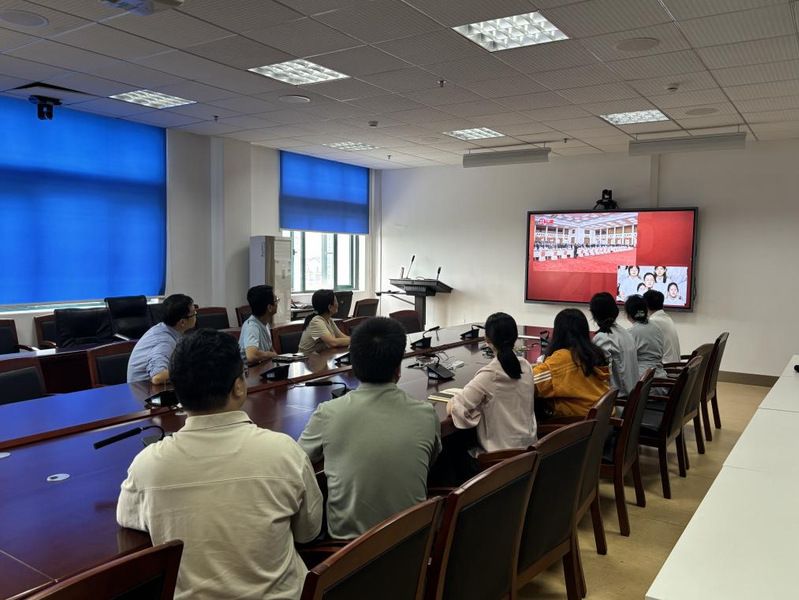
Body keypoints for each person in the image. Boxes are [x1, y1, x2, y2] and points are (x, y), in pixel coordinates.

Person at [117, 329, 323, 600]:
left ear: (176, 390)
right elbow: (308, 532)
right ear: (238, 386)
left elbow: (127, 518)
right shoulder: (285, 452)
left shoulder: (147, 466)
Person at [298, 317, 441, 540]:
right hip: (412, 545)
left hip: (350, 551)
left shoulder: (328, 413)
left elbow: (296, 462)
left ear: (353, 366)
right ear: (398, 368)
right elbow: (429, 462)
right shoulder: (426, 414)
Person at [447, 312, 537, 454]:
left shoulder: (489, 375)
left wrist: (477, 413)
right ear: (515, 337)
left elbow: (457, 407)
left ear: (487, 339)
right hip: (529, 453)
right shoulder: (526, 366)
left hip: (499, 458)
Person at [533, 308, 610, 418]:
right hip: (600, 419)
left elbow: (531, 381)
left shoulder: (563, 358)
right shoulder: (594, 353)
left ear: (558, 332)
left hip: (577, 423)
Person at [126, 294, 196, 384]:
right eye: (194, 313)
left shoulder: (167, 329)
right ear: (182, 322)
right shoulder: (164, 342)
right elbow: (158, 377)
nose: (196, 315)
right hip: (143, 390)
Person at [589, 292, 639, 398]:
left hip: (618, 400)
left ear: (594, 314)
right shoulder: (625, 333)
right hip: (632, 397)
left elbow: (596, 373)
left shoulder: (603, 338)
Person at [624, 295, 668, 379]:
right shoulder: (657, 328)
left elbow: (625, 360)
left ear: (628, 315)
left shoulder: (631, 333)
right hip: (661, 378)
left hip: (641, 380)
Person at [298, 289, 350, 354]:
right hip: (307, 359)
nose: (338, 304)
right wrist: (355, 341)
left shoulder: (328, 319)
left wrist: (356, 340)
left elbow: (342, 336)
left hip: (320, 357)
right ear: (330, 307)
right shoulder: (316, 321)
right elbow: (333, 342)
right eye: (336, 301)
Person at [239, 284, 279, 364]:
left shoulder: (264, 323)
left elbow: (270, 348)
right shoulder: (252, 327)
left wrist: (276, 356)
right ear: (269, 307)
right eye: (276, 300)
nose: (277, 303)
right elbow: (251, 355)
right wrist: (271, 355)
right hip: (250, 370)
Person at [643, 289, 681, 364]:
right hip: (674, 365)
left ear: (645, 306)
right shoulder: (666, 318)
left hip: (665, 367)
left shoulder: (653, 321)